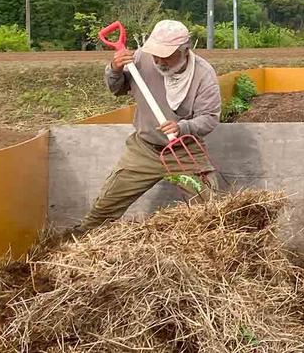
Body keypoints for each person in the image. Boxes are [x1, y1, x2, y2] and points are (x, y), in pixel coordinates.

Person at [75, 19, 222, 233]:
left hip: (184, 151)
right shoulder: (139, 60)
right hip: (144, 149)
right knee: (104, 208)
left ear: (185, 51)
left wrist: (182, 127)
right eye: (156, 54)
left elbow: (209, 117)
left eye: (167, 56)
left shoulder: (203, 74)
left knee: (209, 213)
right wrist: (115, 69)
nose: (160, 61)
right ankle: (79, 242)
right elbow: (116, 89)